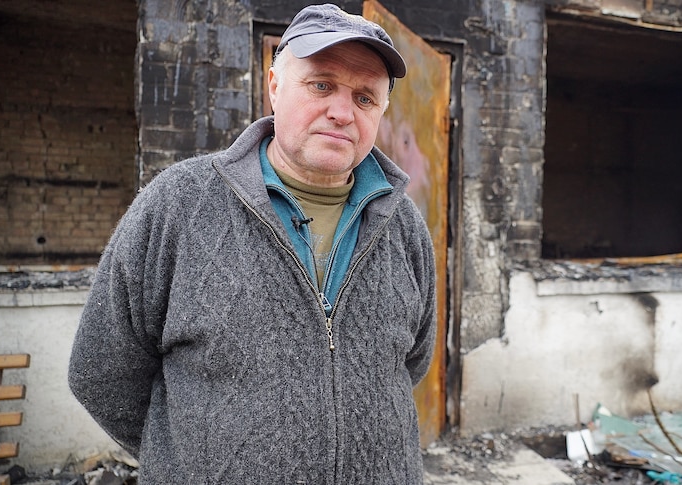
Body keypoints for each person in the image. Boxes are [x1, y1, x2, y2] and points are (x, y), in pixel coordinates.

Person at [68, 4, 437, 484]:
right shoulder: (180, 204)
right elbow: (102, 373)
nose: (342, 112)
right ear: (274, 86)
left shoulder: (403, 222)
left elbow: (411, 363)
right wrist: (195, 455)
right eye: (321, 84)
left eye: (365, 97)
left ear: (382, 110)